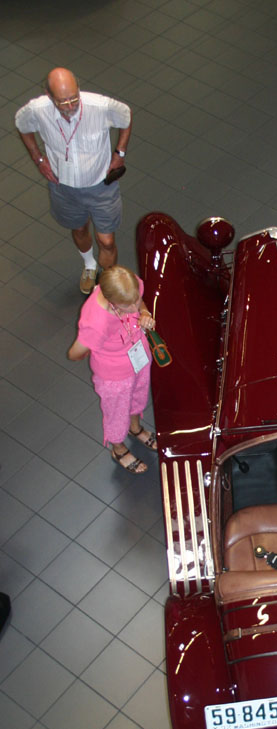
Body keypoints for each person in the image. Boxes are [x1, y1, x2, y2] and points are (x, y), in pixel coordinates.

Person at [15, 68, 132, 295]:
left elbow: (126, 117)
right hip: (63, 186)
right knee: (79, 229)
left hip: (101, 186)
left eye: (74, 99)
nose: (70, 107)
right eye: (62, 102)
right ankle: (89, 265)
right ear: (49, 96)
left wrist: (120, 152)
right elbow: (22, 126)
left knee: (106, 240)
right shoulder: (37, 110)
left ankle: (107, 287)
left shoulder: (100, 106)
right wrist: (38, 158)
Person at [68, 266, 157, 474]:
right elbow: (75, 352)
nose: (135, 305)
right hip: (115, 376)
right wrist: (91, 347)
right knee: (117, 412)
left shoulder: (128, 286)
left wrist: (143, 312)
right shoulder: (95, 321)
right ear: (112, 301)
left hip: (139, 356)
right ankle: (118, 448)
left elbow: (139, 303)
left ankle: (135, 428)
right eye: (129, 304)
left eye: (136, 299)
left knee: (139, 394)